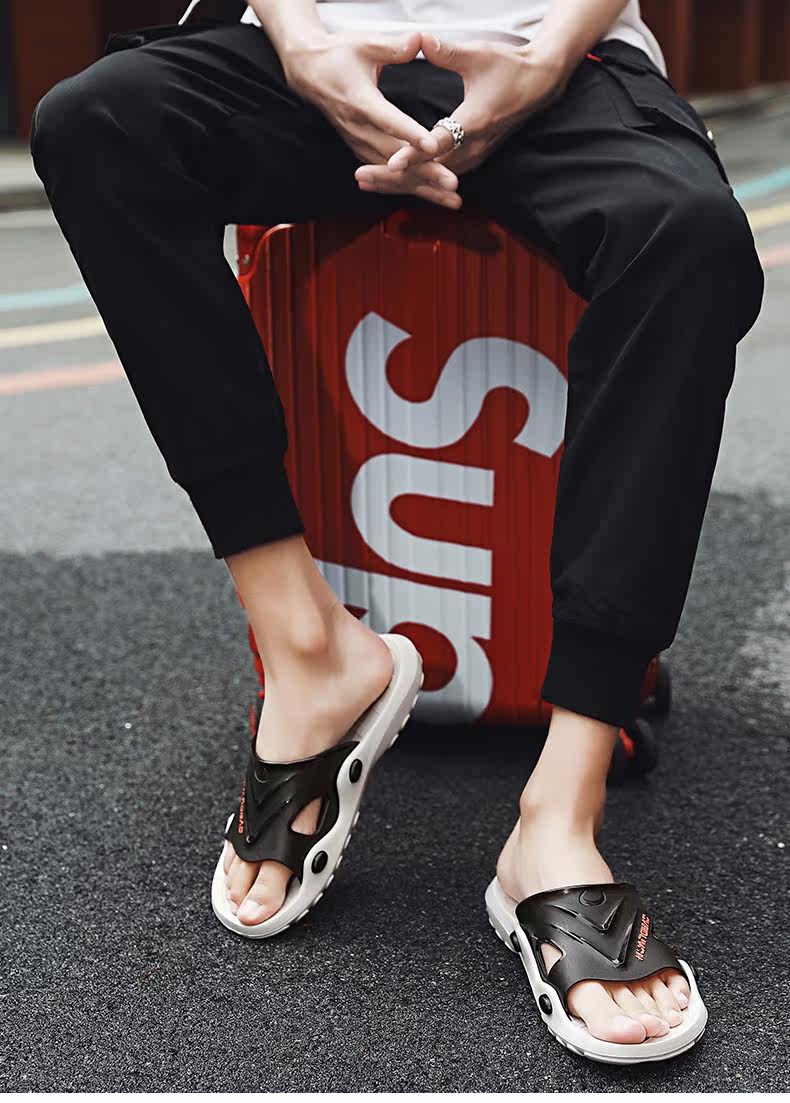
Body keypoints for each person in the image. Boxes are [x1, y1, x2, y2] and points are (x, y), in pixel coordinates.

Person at [30, 0, 763, 1065]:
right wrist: (300, 44)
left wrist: (550, 53)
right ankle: (309, 648)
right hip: (320, 50)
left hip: (554, 54)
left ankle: (558, 814)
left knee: (687, 233)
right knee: (99, 125)